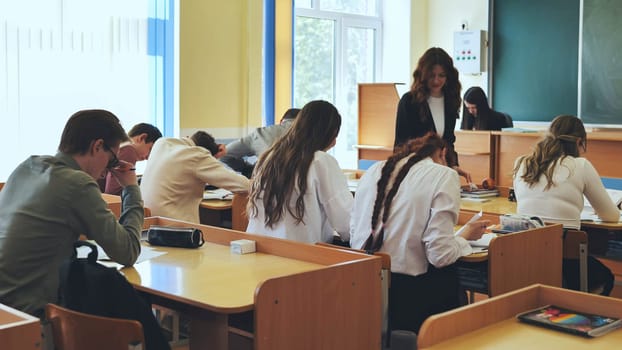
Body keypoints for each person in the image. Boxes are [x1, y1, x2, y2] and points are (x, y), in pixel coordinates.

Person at [0, 110, 143, 316]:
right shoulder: (77, 183)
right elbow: (128, 252)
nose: (107, 171)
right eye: (112, 160)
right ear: (97, 146)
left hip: (5, 310)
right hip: (29, 318)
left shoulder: (28, 166)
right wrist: (131, 188)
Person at [350, 134, 489, 334]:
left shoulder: (374, 170)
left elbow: (353, 229)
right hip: (411, 295)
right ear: (443, 153)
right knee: (456, 287)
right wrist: (465, 234)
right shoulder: (444, 175)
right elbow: (440, 255)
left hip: (364, 283)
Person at [513, 115, 618, 295]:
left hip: (524, 258)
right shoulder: (580, 165)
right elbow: (612, 216)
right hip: (564, 260)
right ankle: (579, 312)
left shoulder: (522, 163)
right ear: (579, 141)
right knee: (605, 276)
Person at [247, 100, 352, 244]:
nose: (335, 142)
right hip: (301, 255)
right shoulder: (320, 161)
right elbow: (345, 220)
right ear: (328, 134)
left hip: (259, 249)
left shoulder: (269, 156)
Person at [394, 47, 472, 183]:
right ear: (423, 75)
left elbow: (448, 141)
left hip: (439, 172)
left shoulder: (450, 101)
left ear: (448, 76)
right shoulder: (409, 101)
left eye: (441, 75)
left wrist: (453, 165)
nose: (436, 81)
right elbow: (401, 145)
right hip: (414, 173)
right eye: (431, 75)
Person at [140, 130, 249, 223]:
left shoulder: (161, 143)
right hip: (176, 230)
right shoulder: (197, 154)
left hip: (147, 224)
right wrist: (214, 157)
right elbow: (244, 185)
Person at [220, 108, 301, 178]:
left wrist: (247, 169)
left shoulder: (260, 133)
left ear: (281, 121)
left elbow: (224, 153)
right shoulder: (311, 135)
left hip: (266, 186)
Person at [104, 123, 162, 195]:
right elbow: (114, 192)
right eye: (150, 150)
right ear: (142, 138)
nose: (148, 157)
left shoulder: (122, 147)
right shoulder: (129, 150)